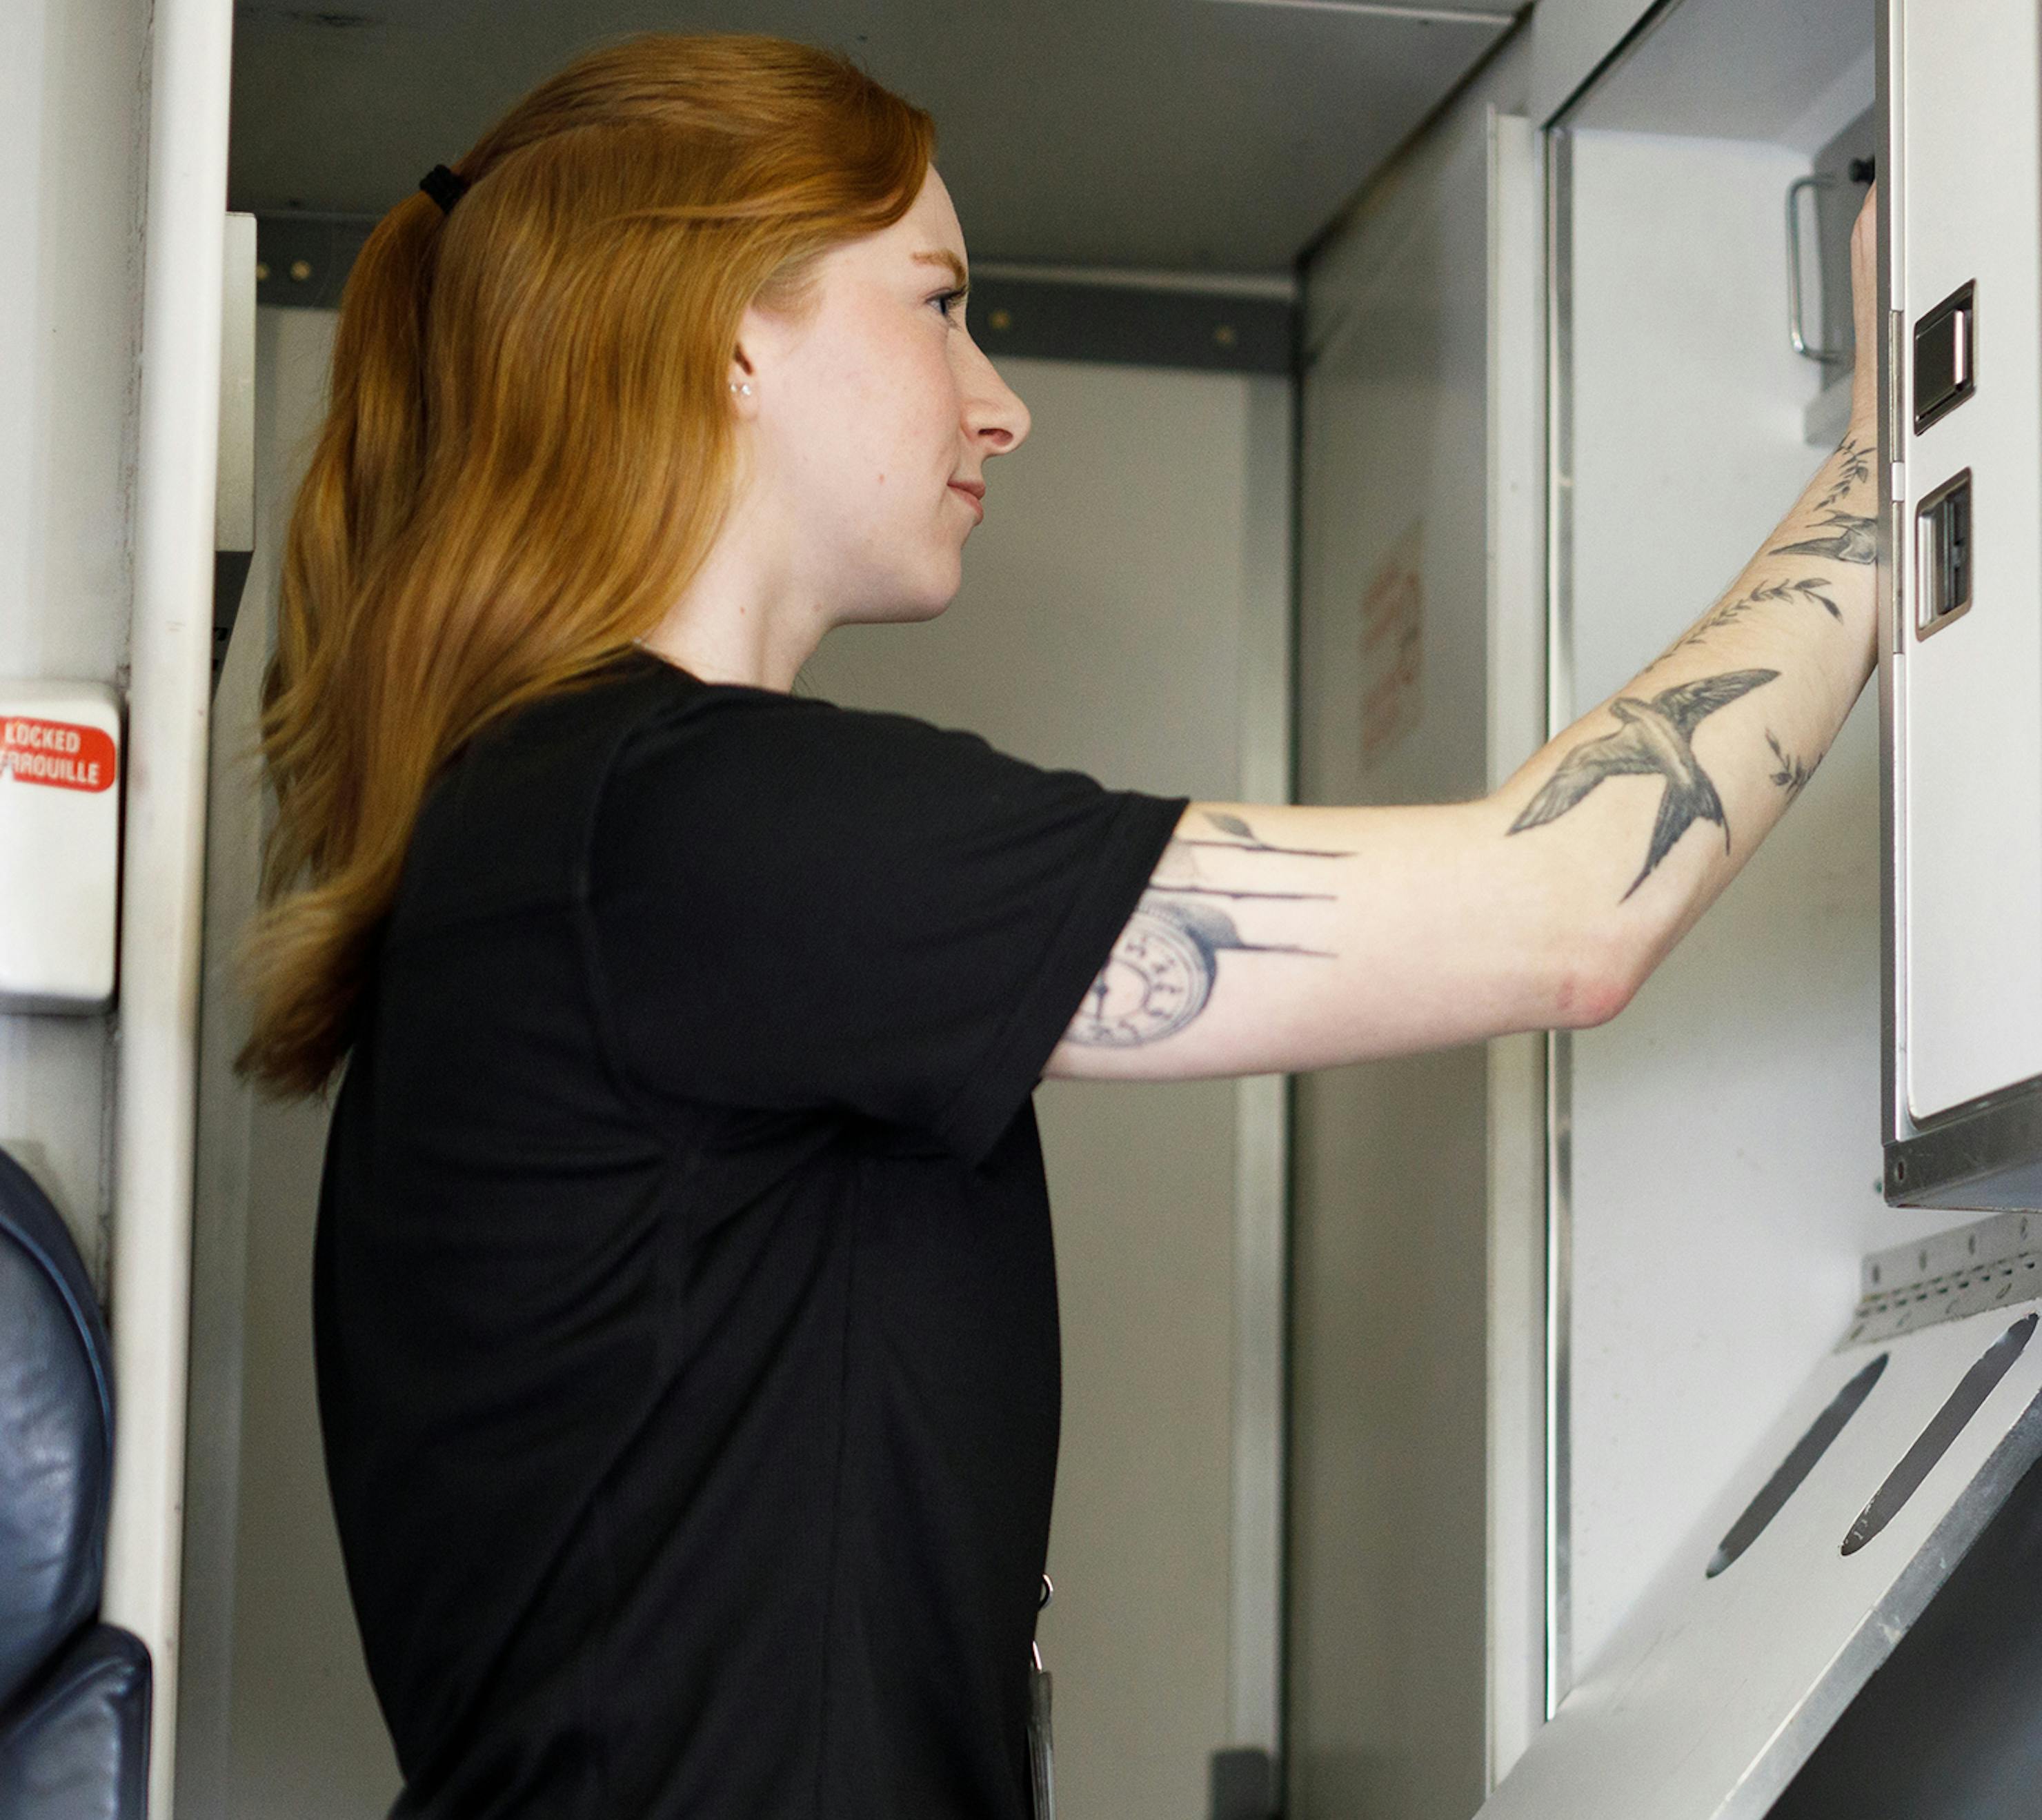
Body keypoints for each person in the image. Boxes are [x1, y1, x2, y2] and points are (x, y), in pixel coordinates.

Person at [239, 29, 1881, 1820]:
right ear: (724, 326)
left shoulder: (578, 829)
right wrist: (1898, 443)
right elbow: (1569, 908)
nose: (998, 399)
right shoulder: (687, 825)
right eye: (937, 304)